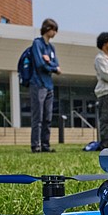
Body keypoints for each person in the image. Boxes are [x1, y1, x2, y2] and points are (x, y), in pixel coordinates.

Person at [29, 18, 61, 153]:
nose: (54, 33)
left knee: (48, 117)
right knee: (38, 117)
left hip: (49, 86)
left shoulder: (51, 48)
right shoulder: (37, 44)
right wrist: (50, 65)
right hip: (38, 84)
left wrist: (50, 63)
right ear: (48, 29)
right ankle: (35, 145)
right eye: (54, 30)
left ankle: (45, 144)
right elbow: (40, 64)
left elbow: (57, 66)